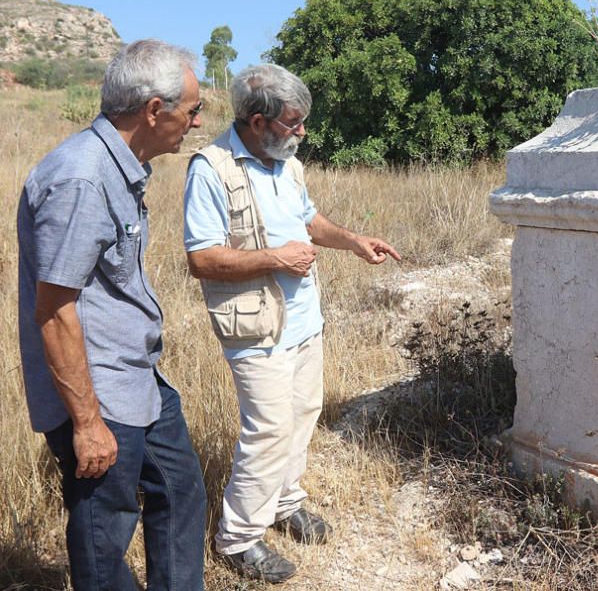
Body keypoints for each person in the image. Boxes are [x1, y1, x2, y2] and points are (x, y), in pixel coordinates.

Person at [183, 63, 401, 583]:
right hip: (257, 328)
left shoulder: (287, 162)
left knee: (303, 414)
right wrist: (276, 259)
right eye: (293, 123)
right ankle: (238, 539)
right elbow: (202, 259)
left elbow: (308, 220)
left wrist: (352, 241)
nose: (302, 132)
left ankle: (285, 502)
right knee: (269, 431)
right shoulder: (211, 169)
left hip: (304, 321)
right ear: (257, 122)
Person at [17, 39, 208, 590]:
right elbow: (54, 312)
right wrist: (86, 423)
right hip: (98, 392)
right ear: (154, 110)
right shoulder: (81, 178)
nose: (195, 124)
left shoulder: (119, 167)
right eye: (192, 110)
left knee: (180, 490)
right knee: (105, 537)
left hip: (139, 377)